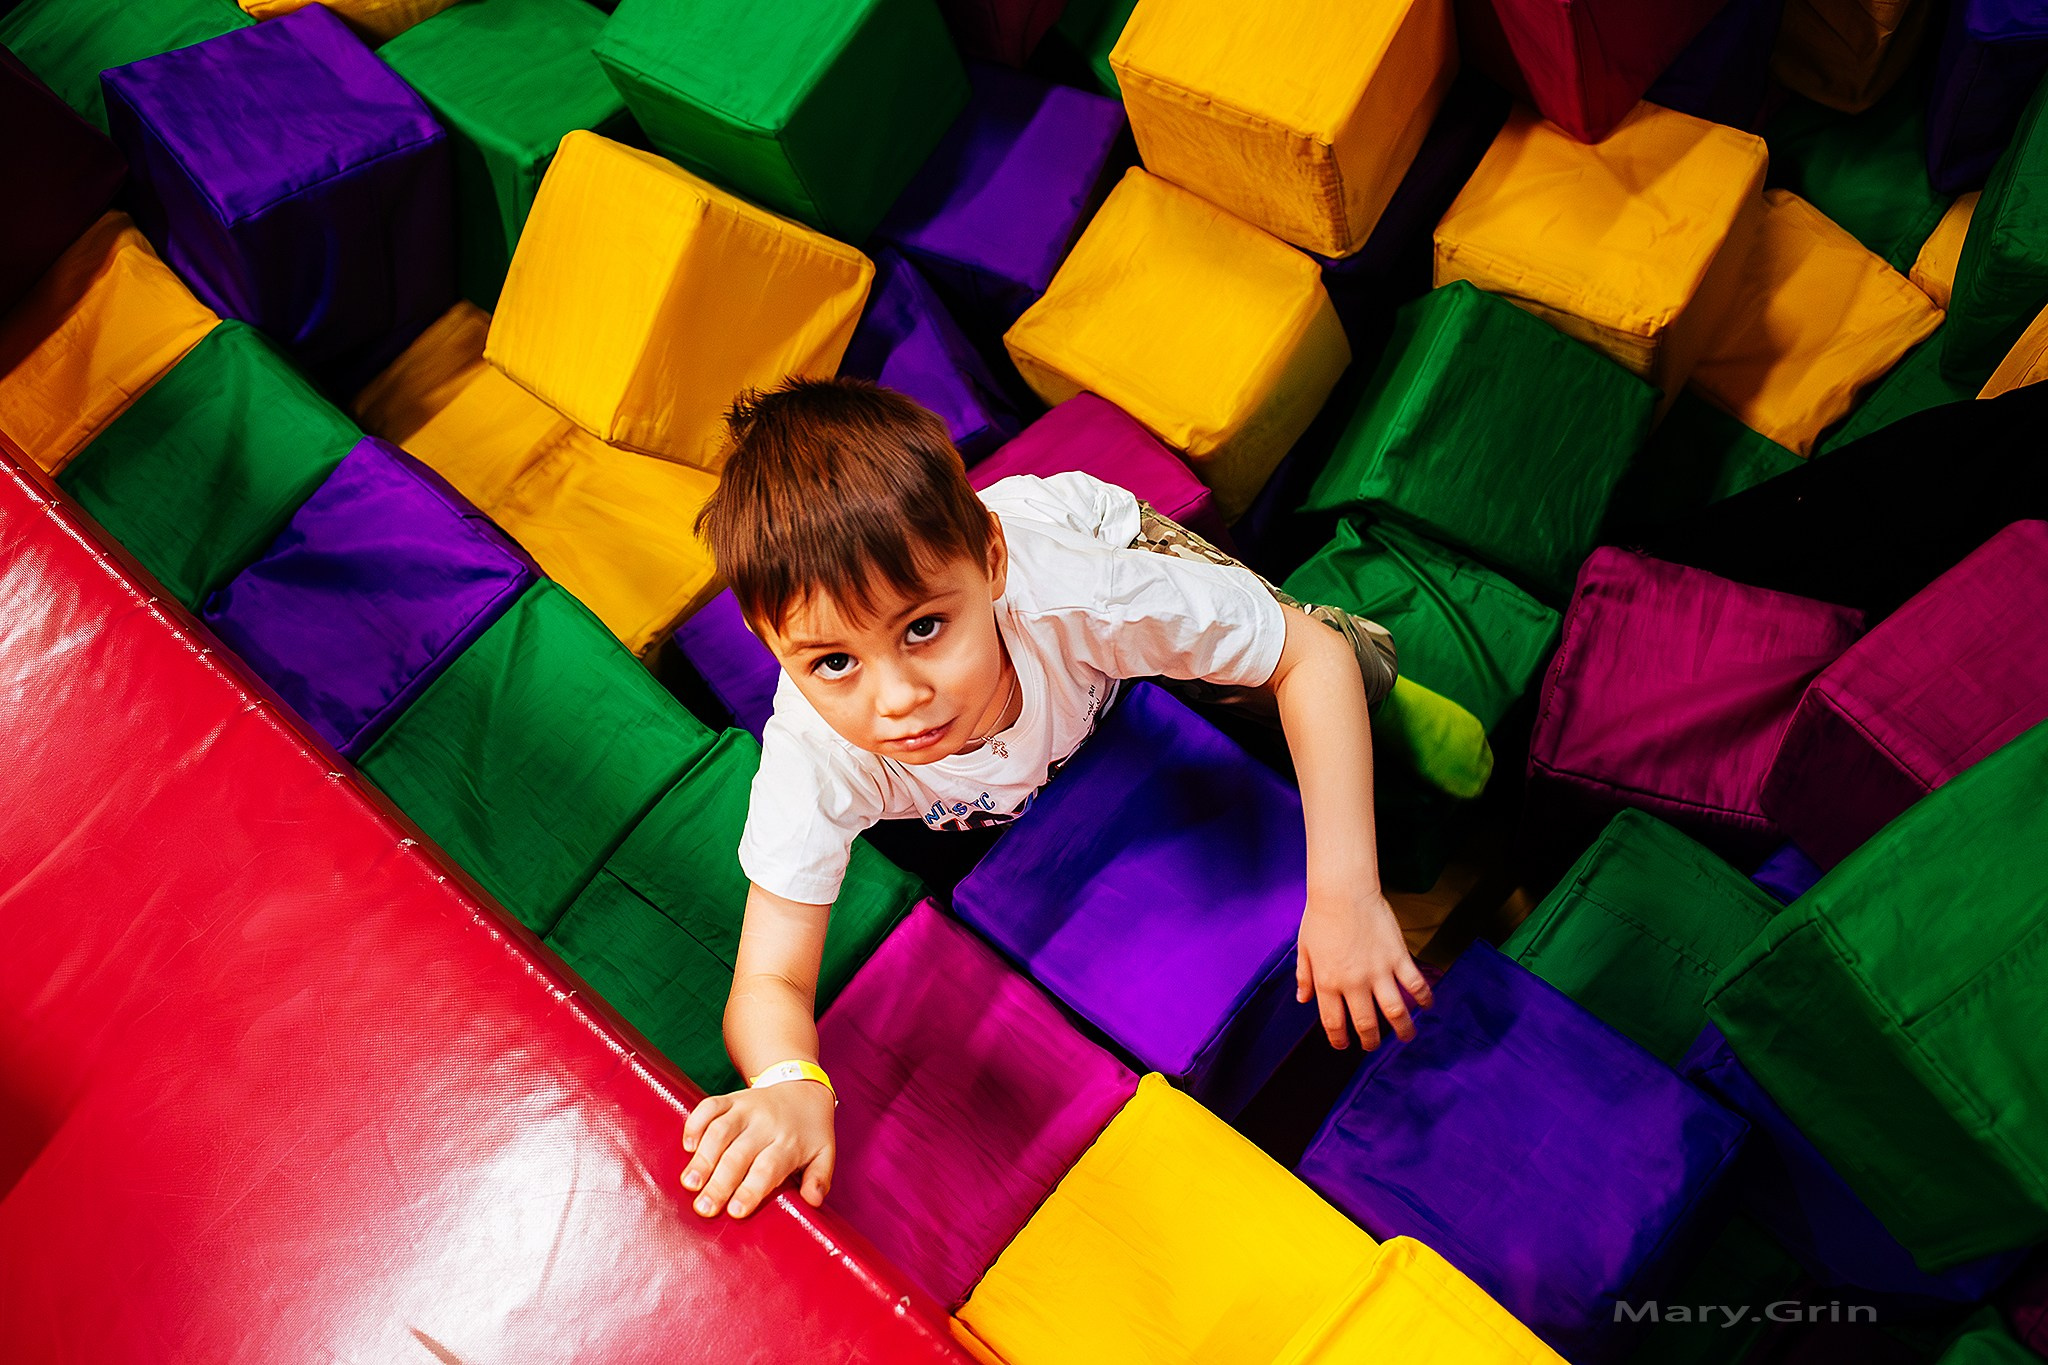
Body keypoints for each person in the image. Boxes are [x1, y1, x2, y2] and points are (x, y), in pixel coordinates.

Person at [679, 377, 1435, 1221]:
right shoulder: (814, 754)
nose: (897, 700)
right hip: (1036, 728)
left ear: (990, 562)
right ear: (769, 642)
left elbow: (1311, 658)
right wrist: (788, 1080)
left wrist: (1344, 893)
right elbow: (769, 977)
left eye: (923, 628)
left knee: (1351, 672)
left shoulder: (1086, 595)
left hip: (1098, 556)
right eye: (833, 662)